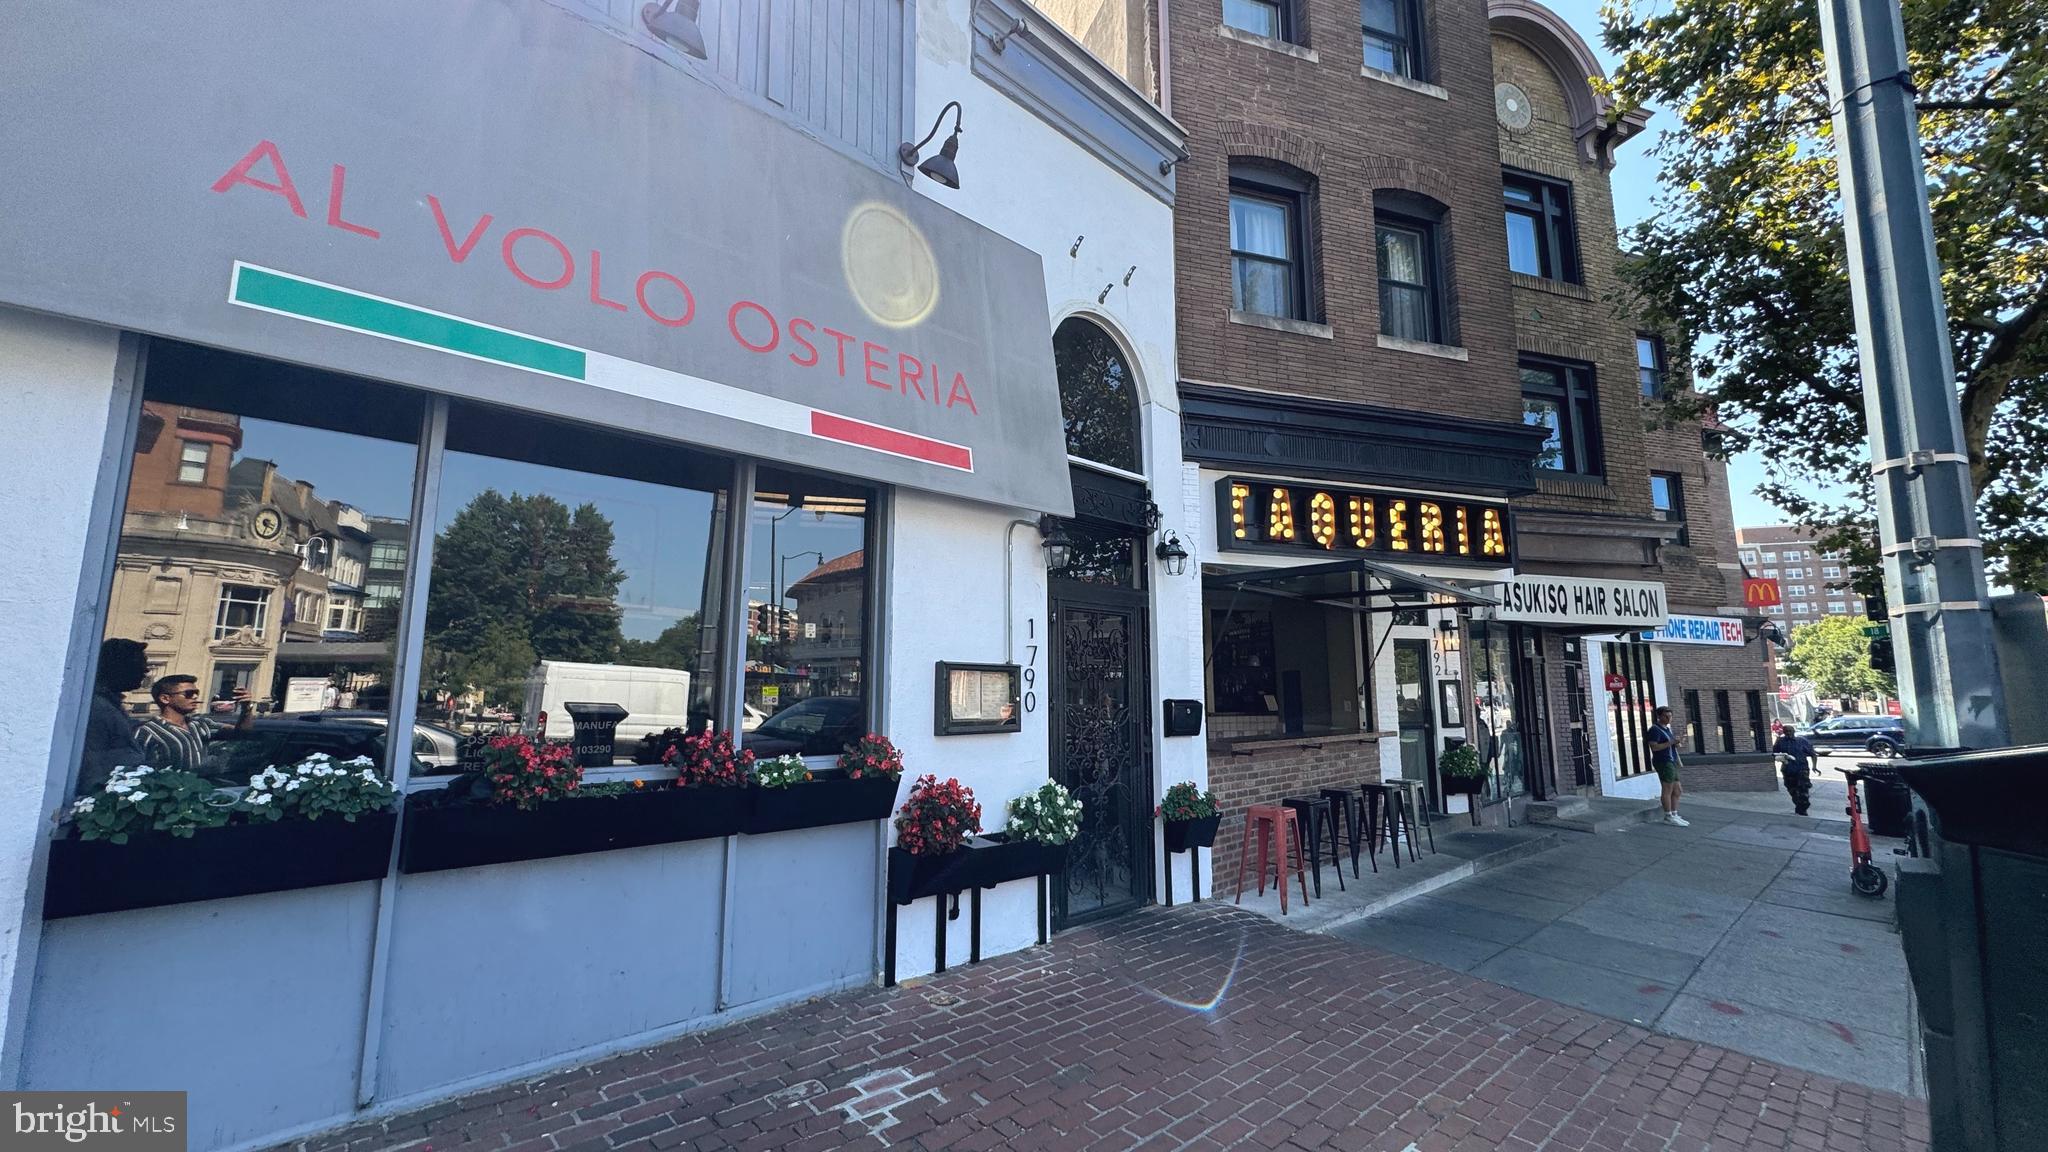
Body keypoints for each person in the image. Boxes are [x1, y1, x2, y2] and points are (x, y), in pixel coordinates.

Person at [133, 674, 254, 777]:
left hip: (202, 792)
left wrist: (246, 708)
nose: (195, 697)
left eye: (196, 693)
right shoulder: (147, 732)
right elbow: (137, 770)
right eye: (189, 693)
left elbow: (242, 733)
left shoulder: (200, 724)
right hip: (170, 798)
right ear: (165, 698)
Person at [79, 638, 150, 795]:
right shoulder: (97, 708)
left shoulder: (108, 704)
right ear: (120, 667)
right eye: (140, 663)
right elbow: (92, 769)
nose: (146, 670)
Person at [1646, 705, 1688, 827]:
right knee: (1667, 788)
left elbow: (1670, 744)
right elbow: (1654, 747)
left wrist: (1676, 743)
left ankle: (1674, 813)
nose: (1669, 718)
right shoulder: (1655, 729)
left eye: (1670, 716)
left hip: (1672, 760)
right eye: (1666, 716)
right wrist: (1670, 742)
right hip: (1664, 761)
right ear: (1659, 716)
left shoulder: (1667, 729)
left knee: (1677, 789)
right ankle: (1668, 815)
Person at [1773, 725, 1819, 816]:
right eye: (1786, 732)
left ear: (1793, 731)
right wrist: (1782, 758)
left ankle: (1803, 809)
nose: (1788, 733)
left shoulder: (1802, 741)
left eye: (1790, 731)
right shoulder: (1780, 742)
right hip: (1788, 769)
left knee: (1803, 790)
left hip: (1801, 769)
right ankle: (1798, 806)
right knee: (1791, 789)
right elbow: (1775, 754)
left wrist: (1814, 766)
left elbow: (1813, 754)